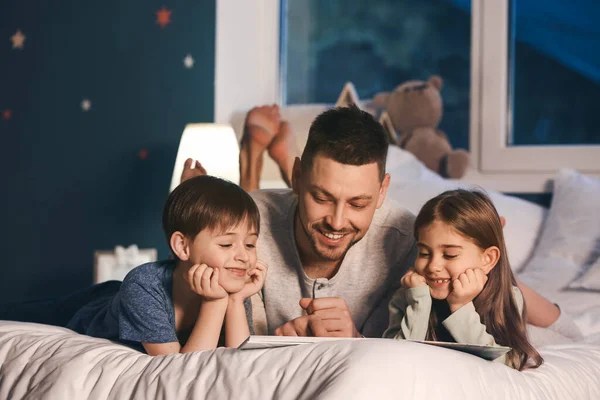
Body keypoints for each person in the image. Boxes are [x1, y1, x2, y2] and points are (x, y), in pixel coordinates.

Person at [180, 104, 581, 340]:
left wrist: (355, 338)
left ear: (383, 190)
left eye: (358, 203)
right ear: (297, 176)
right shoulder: (245, 227)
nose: (337, 221)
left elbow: (557, 325)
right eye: (322, 197)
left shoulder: (412, 242)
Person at [1, 176, 267, 355]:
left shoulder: (229, 286)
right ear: (183, 247)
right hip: (94, 307)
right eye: (226, 245)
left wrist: (234, 301)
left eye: (250, 244)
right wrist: (215, 304)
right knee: (17, 313)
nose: (243, 256)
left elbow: (240, 361)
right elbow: (181, 369)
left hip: (125, 295)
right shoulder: (144, 286)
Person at [383, 189, 543, 370]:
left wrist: (460, 307)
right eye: (424, 253)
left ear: (487, 259)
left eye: (450, 255)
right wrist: (419, 303)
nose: (433, 266)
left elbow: (507, 365)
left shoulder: (508, 298)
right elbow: (396, 359)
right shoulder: (408, 296)